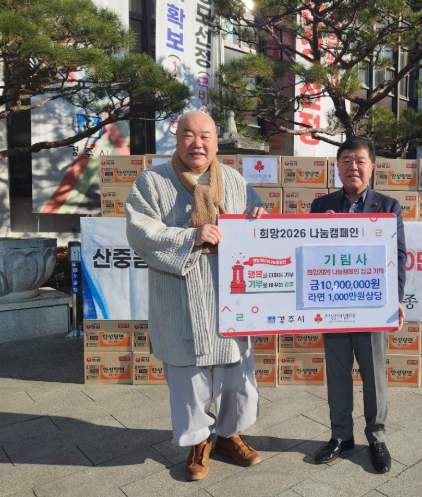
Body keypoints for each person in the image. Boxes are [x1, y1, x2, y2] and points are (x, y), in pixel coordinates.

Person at [125, 111, 266, 481]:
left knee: (236, 375)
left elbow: (255, 225)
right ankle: (198, 443)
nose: (197, 143)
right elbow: (140, 232)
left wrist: (260, 218)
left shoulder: (235, 181)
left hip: (229, 296)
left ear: (217, 143)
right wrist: (192, 236)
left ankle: (229, 435)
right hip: (180, 297)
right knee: (188, 379)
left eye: (205, 135)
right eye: (189, 134)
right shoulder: (152, 181)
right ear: (177, 139)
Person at [309, 137, 407, 474]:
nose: (353, 166)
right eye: (346, 160)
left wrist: (395, 298)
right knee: (337, 373)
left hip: (372, 304)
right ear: (337, 167)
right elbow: (309, 254)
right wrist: (323, 230)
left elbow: (398, 255)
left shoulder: (388, 206)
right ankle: (341, 436)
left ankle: (376, 437)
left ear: (372, 167)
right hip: (333, 302)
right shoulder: (321, 206)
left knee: (374, 374)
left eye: (360, 160)